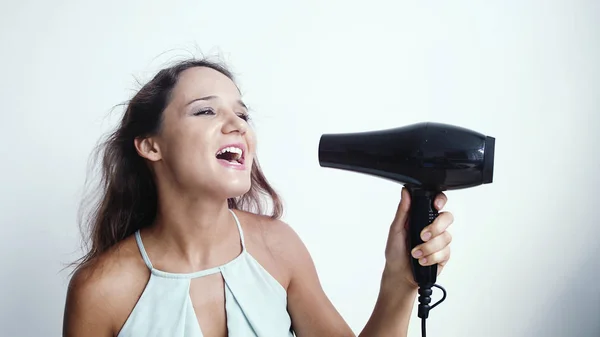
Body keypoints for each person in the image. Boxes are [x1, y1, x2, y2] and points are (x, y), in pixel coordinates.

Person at [62, 58, 454, 337]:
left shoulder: (277, 247)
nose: (237, 125)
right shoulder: (101, 290)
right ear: (151, 146)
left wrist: (399, 282)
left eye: (242, 115)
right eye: (205, 112)